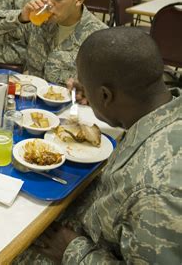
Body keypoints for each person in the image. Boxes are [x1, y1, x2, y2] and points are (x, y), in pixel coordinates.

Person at [17, 27, 182, 264]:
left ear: (106, 95)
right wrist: (100, 101)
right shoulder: (163, 112)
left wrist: (73, 251)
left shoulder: (155, 192)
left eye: (85, 89)